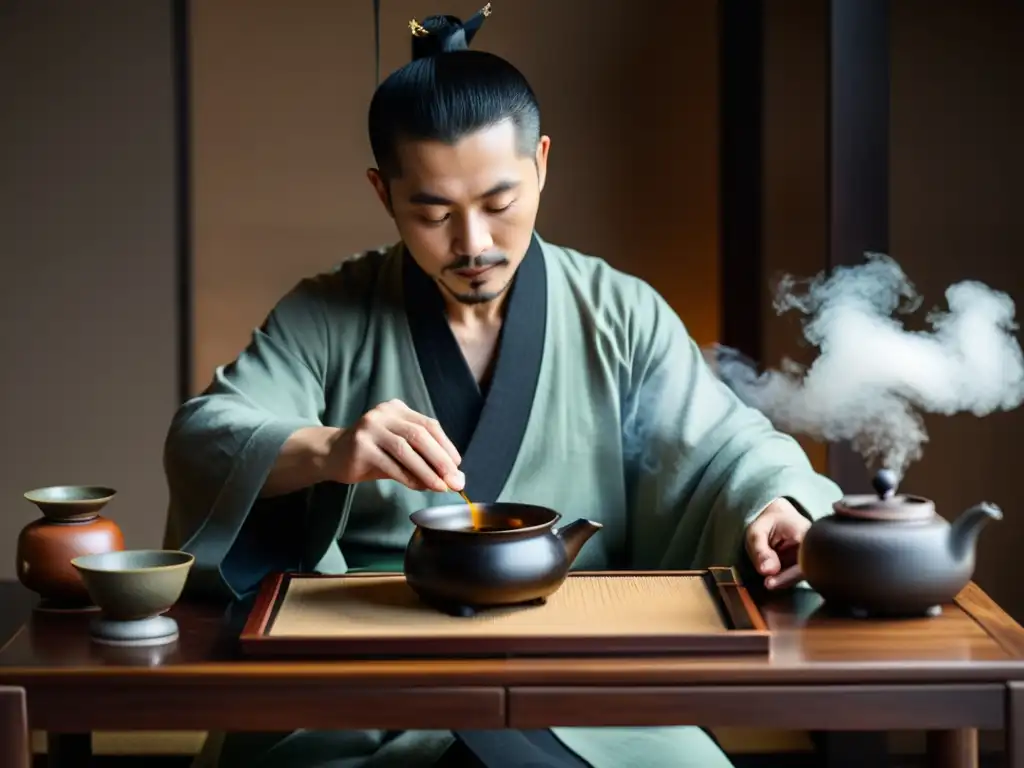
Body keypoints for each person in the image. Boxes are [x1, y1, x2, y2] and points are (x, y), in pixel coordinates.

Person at [164, 5, 843, 767]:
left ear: (542, 163)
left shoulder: (618, 313)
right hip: (365, 689)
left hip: (581, 685)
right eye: (432, 212)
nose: (473, 244)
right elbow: (207, 434)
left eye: (499, 202)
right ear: (384, 193)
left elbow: (727, 449)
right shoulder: (328, 315)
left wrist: (775, 503)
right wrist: (330, 448)